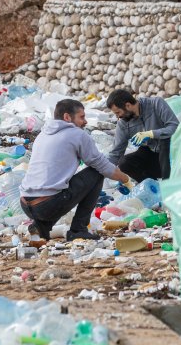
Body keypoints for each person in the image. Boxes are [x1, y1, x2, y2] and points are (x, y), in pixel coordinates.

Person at [20, 99, 131, 241]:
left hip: (25, 204)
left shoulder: (42, 134)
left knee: (56, 188)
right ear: (67, 117)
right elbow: (103, 166)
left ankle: (40, 226)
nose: (85, 122)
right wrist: (126, 179)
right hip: (47, 206)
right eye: (81, 117)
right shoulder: (77, 134)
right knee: (96, 172)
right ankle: (78, 229)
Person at [106, 88, 179, 181]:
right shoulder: (123, 123)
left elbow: (175, 127)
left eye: (118, 112)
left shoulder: (156, 104)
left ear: (127, 105)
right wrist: (102, 170)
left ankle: (167, 185)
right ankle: (153, 187)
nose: (117, 116)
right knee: (125, 163)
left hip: (173, 156)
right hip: (153, 159)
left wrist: (152, 133)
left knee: (164, 141)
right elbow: (116, 153)